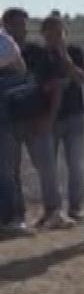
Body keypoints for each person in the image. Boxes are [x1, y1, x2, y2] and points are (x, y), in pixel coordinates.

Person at [3, 7, 63, 230]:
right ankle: (16, 217)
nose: (23, 30)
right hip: (7, 122)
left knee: (46, 167)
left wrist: (49, 118)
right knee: (9, 171)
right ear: (5, 26)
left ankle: (54, 212)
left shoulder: (38, 53)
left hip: (38, 120)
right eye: (17, 25)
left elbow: (55, 87)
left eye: (24, 25)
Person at [42, 13, 84, 227]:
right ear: (44, 34)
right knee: (48, 166)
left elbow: (81, 78)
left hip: (74, 115)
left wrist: (66, 59)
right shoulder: (40, 55)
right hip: (48, 117)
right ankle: (53, 210)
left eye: (60, 32)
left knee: (75, 164)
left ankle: (76, 208)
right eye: (51, 32)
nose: (56, 36)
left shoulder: (75, 52)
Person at [0, 24, 31, 237]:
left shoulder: (4, 41)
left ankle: (15, 218)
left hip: (7, 117)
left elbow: (14, 68)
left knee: (8, 170)